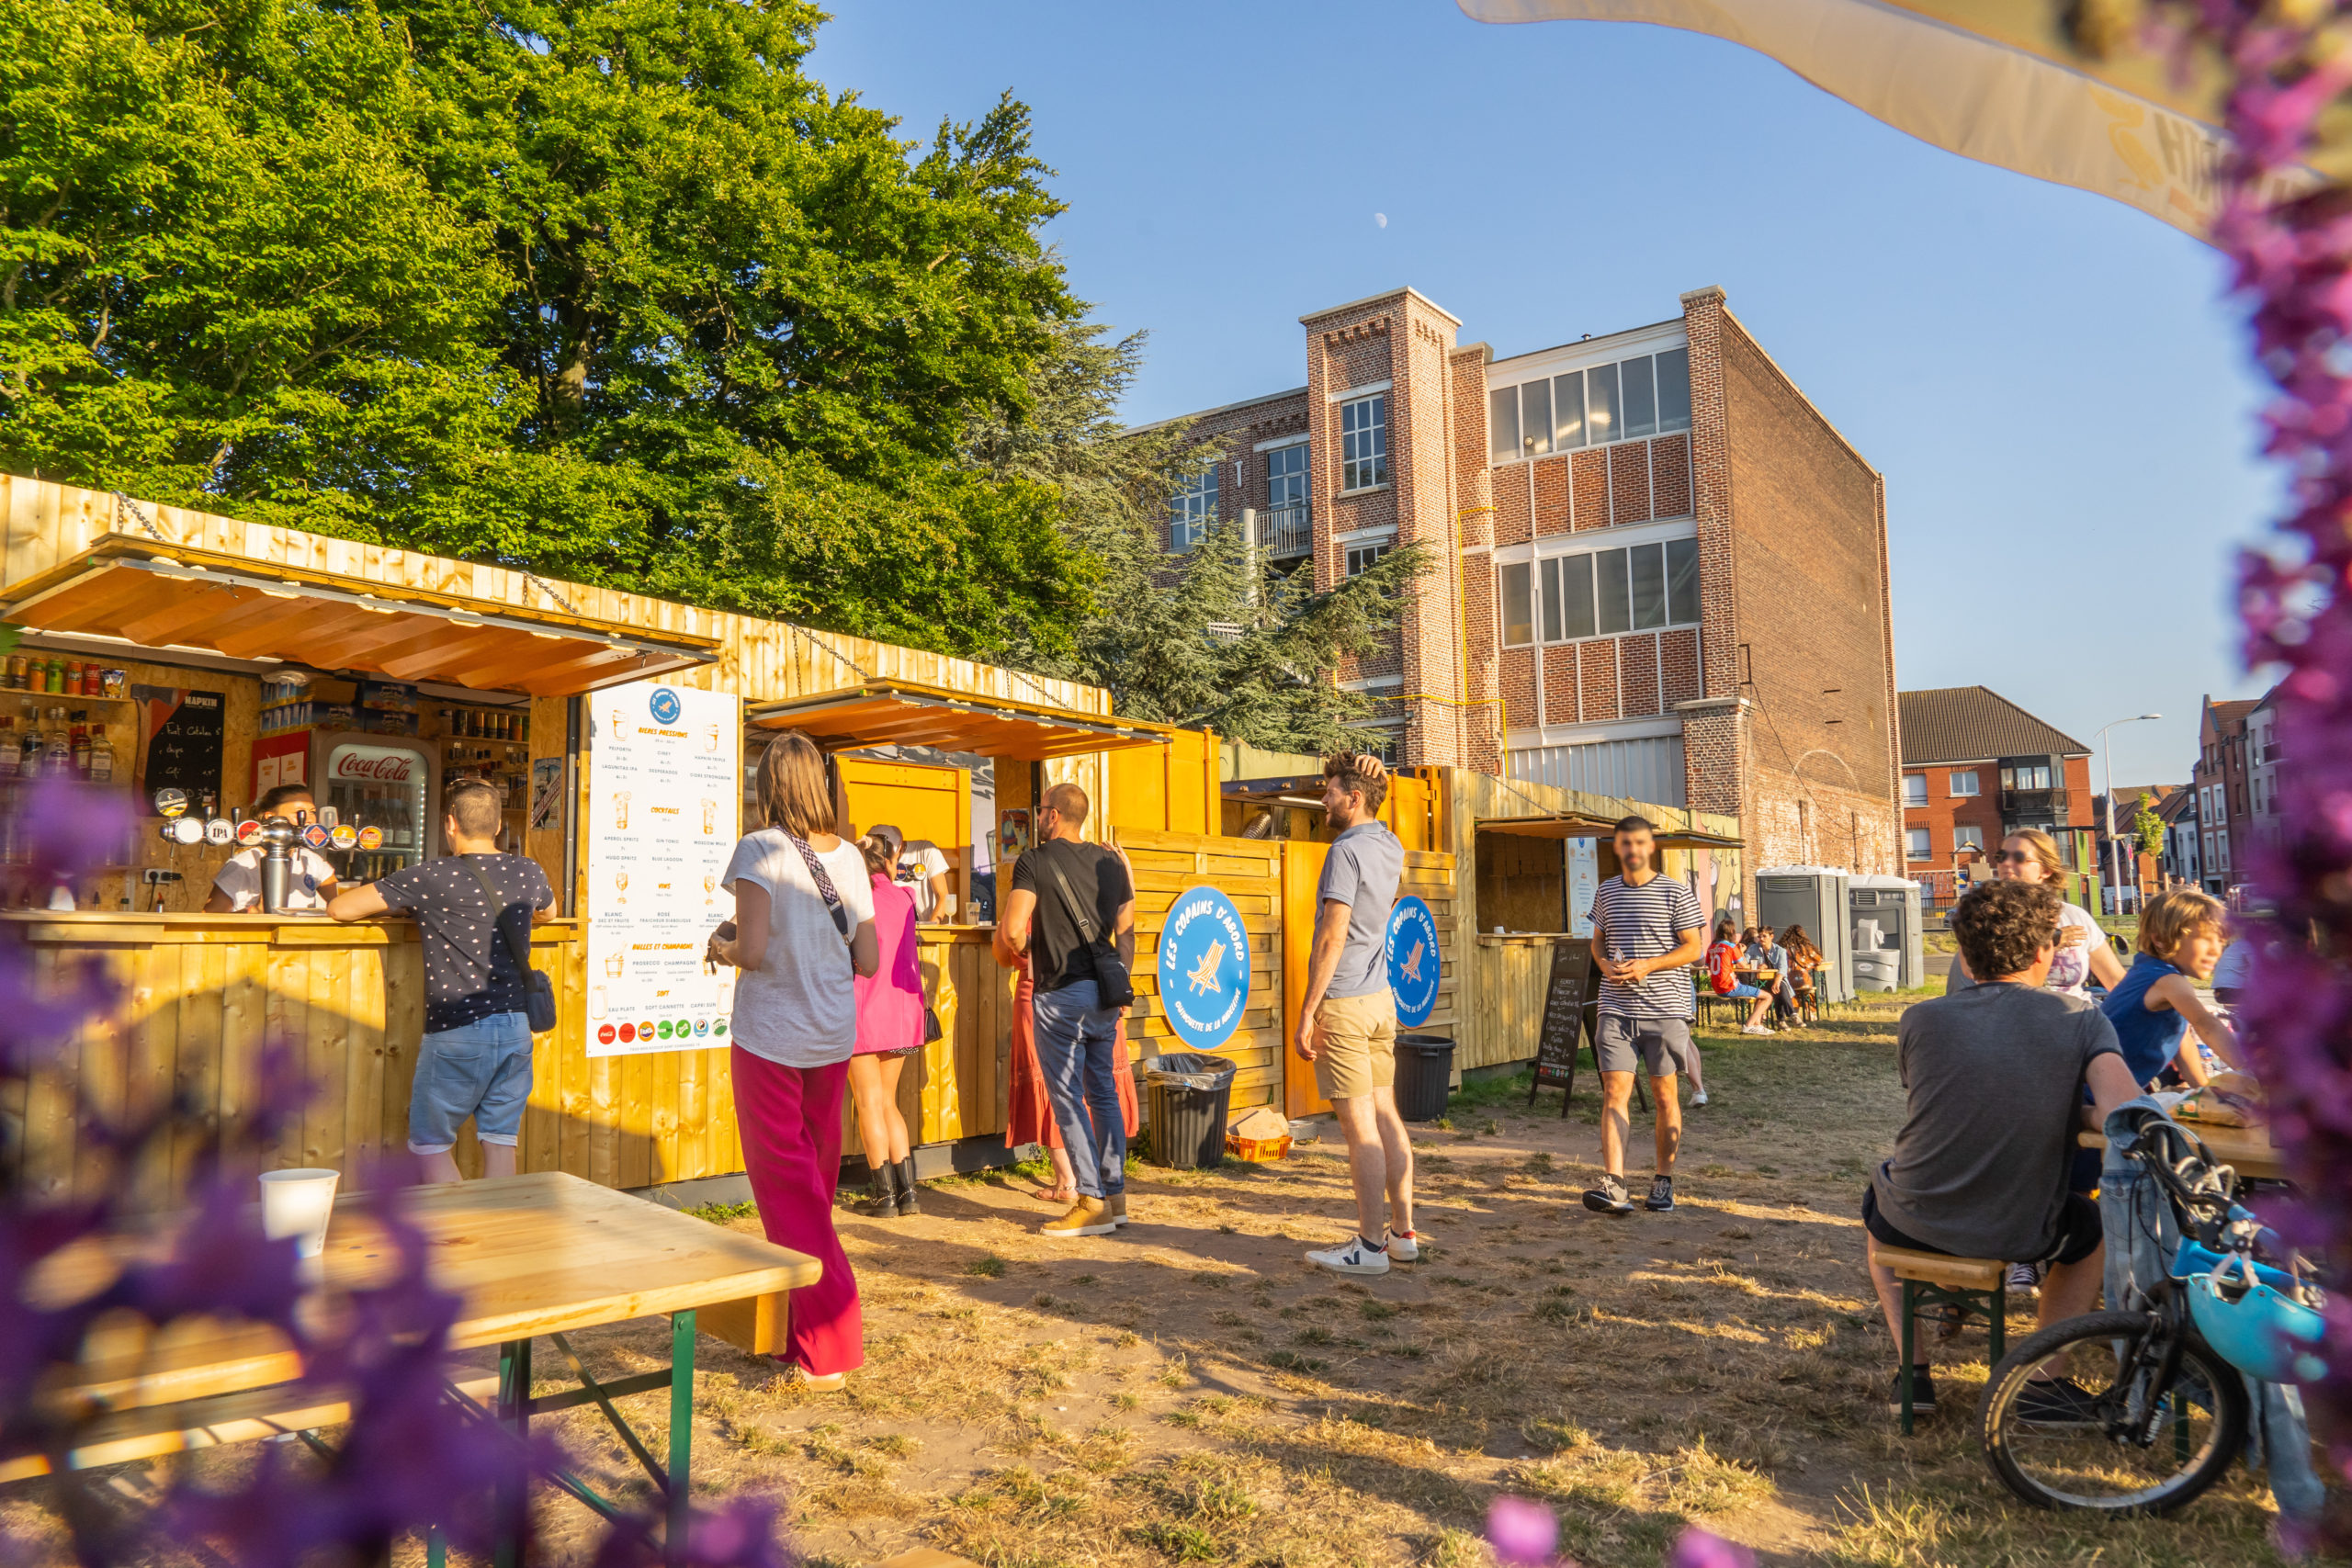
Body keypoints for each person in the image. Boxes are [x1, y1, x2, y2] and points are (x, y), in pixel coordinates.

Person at [1862, 878, 2139, 1419]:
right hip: (2022, 1230)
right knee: (2093, 1228)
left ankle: (1914, 1375)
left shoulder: (1919, 1020)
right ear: (2046, 952)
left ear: (1964, 957)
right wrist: (2074, 1111)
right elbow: (2124, 1116)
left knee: (1876, 1214)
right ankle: (2042, 1380)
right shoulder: (2081, 1018)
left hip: (1915, 1218)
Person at [706, 732, 879, 1391]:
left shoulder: (761, 848)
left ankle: (831, 1340)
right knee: (813, 1188)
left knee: (789, 1193)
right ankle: (795, 1332)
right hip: (831, 1037)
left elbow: (750, 948)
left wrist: (719, 945)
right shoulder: (856, 859)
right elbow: (866, 959)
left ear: (768, 785)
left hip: (771, 1037)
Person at [324, 780, 553, 1184]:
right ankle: (498, 1230)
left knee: (429, 1143)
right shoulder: (528, 870)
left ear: (449, 824)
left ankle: (461, 1235)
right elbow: (548, 913)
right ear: (498, 826)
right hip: (517, 1026)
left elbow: (340, 909)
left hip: (457, 1027)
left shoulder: (430, 877)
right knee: (501, 1138)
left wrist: (407, 908)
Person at [1292, 751, 1416, 1276]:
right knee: (1386, 1116)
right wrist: (1380, 772)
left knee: (1360, 1128)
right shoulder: (1392, 845)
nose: (1324, 799)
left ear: (1354, 798)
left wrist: (1307, 1010)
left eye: (1330, 790)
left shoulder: (1344, 851)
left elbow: (1332, 933)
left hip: (1343, 1002)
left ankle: (1369, 1248)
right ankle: (1402, 1235)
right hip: (1380, 1001)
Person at [994, 782, 1136, 1239]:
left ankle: (1090, 1199)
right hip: (1105, 995)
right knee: (1104, 1094)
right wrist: (1117, 980)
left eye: (1041, 811)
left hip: (1059, 995)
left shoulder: (1034, 860)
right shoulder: (1111, 861)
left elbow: (1014, 930)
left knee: (1067, 1097)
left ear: (1053, 815)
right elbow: (1128, 931)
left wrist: (1034, 953)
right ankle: (1114, 1199)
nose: (1038, 817)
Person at [1581, 816, 1707, 1217]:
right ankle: (1615, 1184)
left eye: (1639, 843)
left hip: (1665, 1011)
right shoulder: (1606, 892)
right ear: (1617, 848)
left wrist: (1648, 966)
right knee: (1614, 1094)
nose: (1632, 850)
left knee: (1664, 1095)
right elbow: (1597, 941)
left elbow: (1694, 948)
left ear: (1650, 847)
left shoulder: (1675, 893)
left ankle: (1663, 1180)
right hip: (1616, 1009)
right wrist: (1603, 964)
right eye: (1625, 844)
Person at [1947, 829, 2123, 1000]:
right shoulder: (1984, 914)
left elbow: (2116, 981)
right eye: (2001, 857)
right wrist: (2048, 944)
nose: (2006, 863)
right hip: (2011, 1015)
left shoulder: (2074, 916)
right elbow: (1972, 971)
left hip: (2074, 1015)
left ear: (2046, 870)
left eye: (2019, 857)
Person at [848, 831, 924, 1219]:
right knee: (889, 1102)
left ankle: (884, 1197)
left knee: (869, 1104)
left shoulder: (854, 901)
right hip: (906, 1019)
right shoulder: (907, 898)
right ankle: (908, 1192)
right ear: (890, 860)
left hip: (864, 1015)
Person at [2101, 888, 2241, 1089]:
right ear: (2160, 939)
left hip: (2109, 1089)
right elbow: (2206, 1025)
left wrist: (2205, 1091)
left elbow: (2183, 1046)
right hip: (2104, 1095)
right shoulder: (2166, 980)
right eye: (2205, 939)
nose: (2215, 950)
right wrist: (2250, 1071)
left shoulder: (2147, 970)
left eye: (2220, 941)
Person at [206, 784, 340, 912]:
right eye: (299, 813)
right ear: (271, 817)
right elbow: (210, 919)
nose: (309, 819)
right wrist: (254, 912)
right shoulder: (244, 864)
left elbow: (339, 901)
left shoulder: (310, 859)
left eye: (312, 812)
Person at [1703, 918, 1775, 1038]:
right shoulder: (1731, 946)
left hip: (1717, 987)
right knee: (1768, 996)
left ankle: (1757, 1025)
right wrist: (1742, 952)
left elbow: (1709, 965)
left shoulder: (1712, 947)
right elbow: (1745, 966)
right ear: (1731, 932)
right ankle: (1749, 1025)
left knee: (1759, 996)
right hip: (1730, 986)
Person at [871, 823, 955, 923]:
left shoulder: (926, 850)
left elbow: (942, 896)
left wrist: (931, 928)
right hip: (893, 927)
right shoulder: (874, 859)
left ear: (900, 847)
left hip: (925, 926)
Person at [1781, 923, 1825, 1015]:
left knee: (1793, 993)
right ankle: (1810, 1013)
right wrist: (1807, 966)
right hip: (1802, 980)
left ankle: (1794, 1013)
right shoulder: (1805, 948)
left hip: (1787, 980)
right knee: (1808, 991)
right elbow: (1818, 960)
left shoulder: (1783, 948)